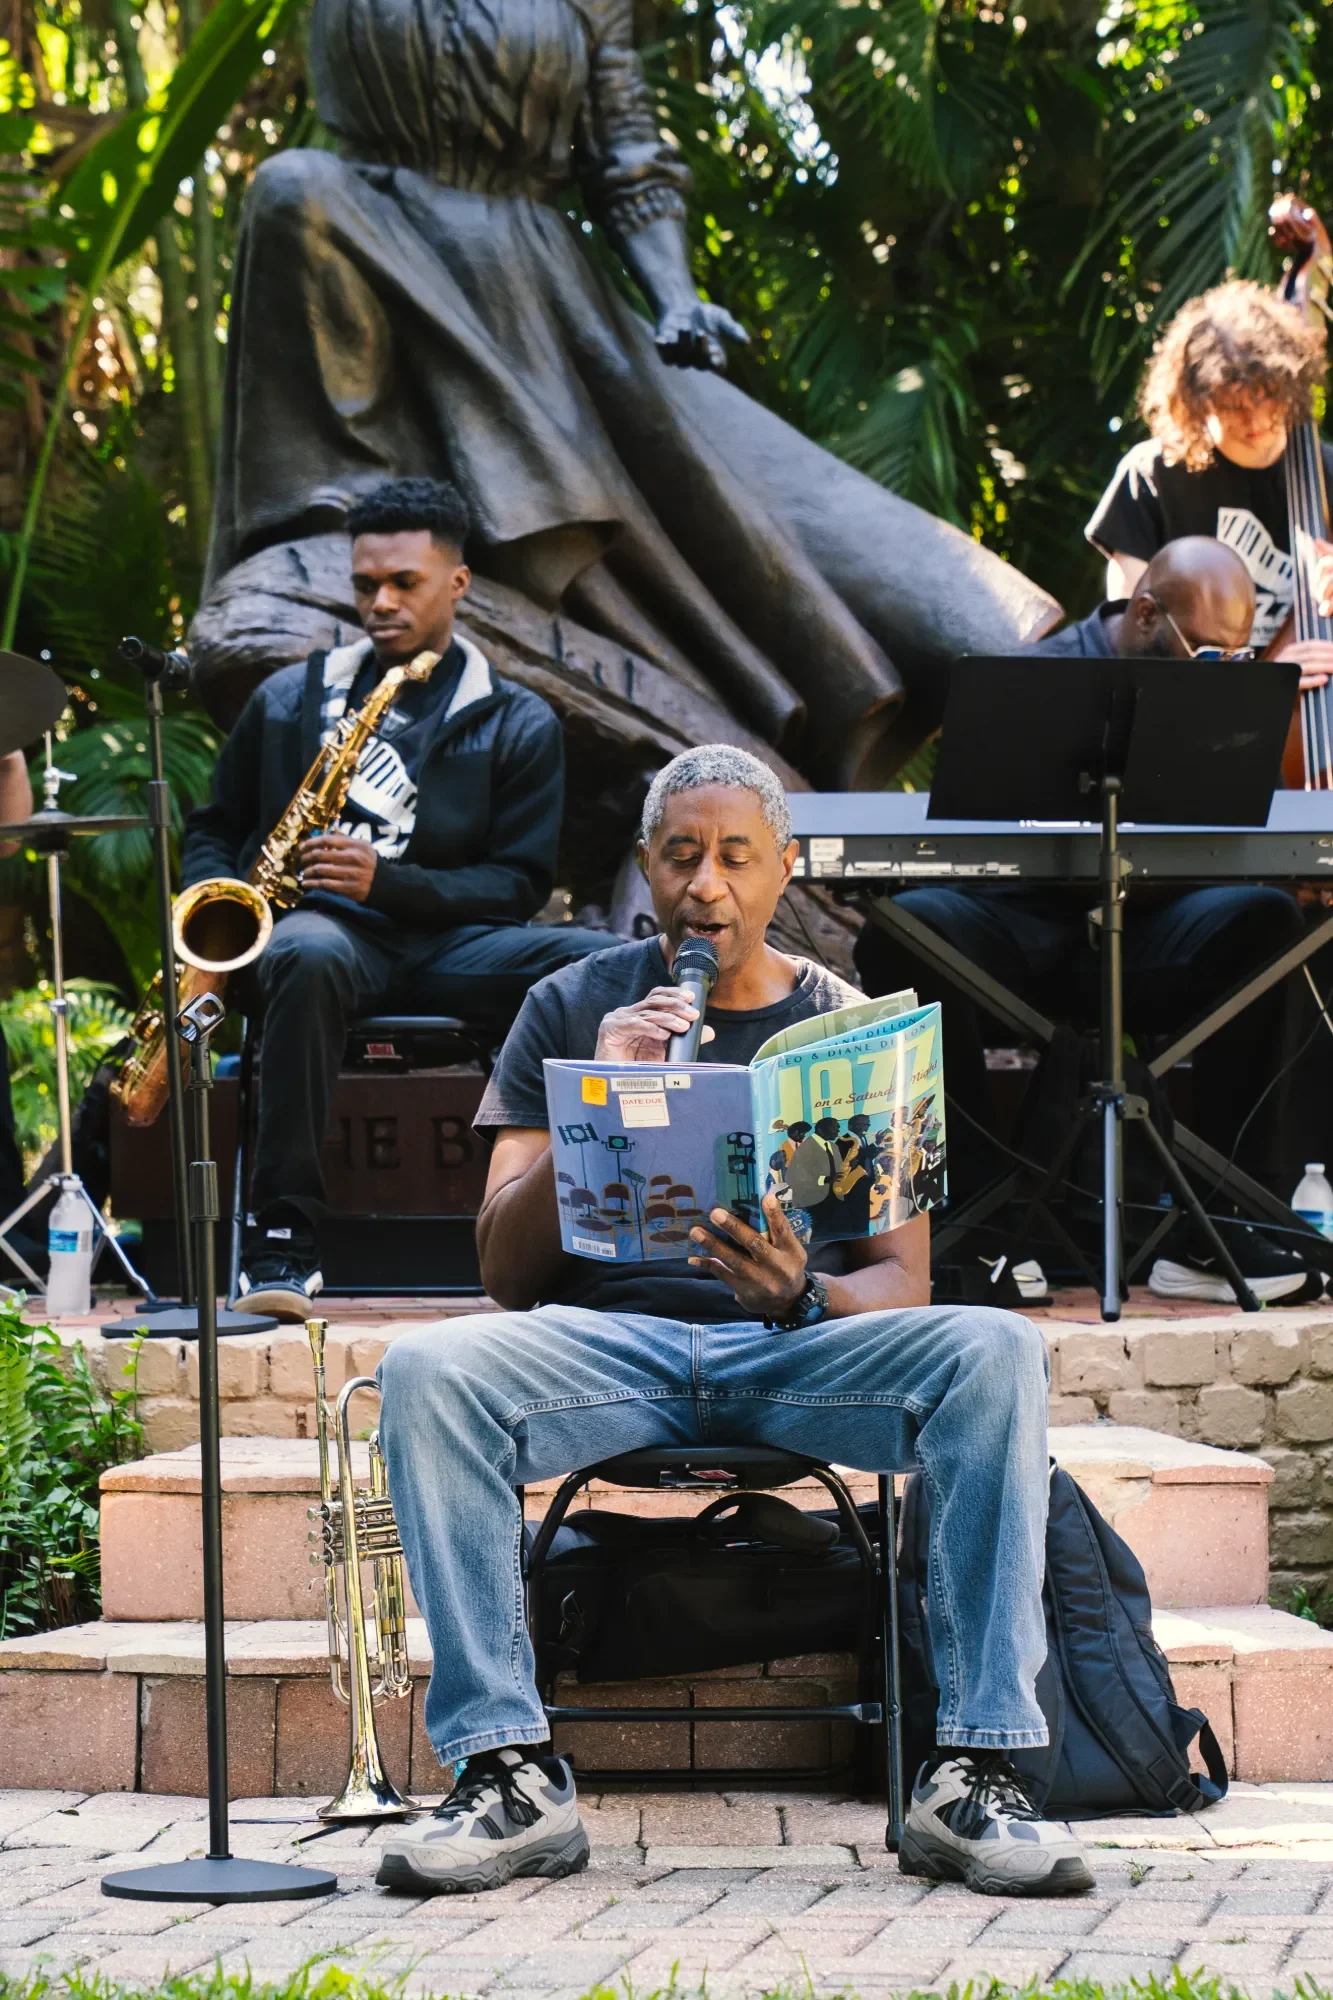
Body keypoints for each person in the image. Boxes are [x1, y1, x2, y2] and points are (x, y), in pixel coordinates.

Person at [374, 744, 1094, 1901]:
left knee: (996, 1347)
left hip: (800, 1349)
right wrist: (597, 1103)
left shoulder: (853, 1027)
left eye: (735, 856)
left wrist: (803, 1292)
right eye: (680, 855)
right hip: (610, 1350)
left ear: (782, 869)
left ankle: (973, 1771)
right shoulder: (569, 1003)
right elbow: (503, 1271)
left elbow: (900, 1282)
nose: (706, 883)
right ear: (646, 866)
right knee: (427, 1367)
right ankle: (507, 1770)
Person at [183, 475, 609, 1319]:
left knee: (602, 968)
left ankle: (588, 1229)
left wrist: (389, 882)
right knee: (305, 952)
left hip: (454, 943)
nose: (380, 603)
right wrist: (217, 904)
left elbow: (516, 884)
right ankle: (282, 1236)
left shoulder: (516, 719)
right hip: (324, 939)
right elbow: (214, 825)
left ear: (457, 583)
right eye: (365, 585)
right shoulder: (288, 700)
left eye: (403, 583)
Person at [855, 539, 1312, 1306]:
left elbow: (1247, 831)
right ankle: (971, 1227)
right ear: (1145, 613)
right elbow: (959, 839)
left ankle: (1224, 1223)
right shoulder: (1025, 677)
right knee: (907, 928)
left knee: (1265, 920)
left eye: (1235, 657)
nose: (1220, 672)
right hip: (1014, 933)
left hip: (1146, 934)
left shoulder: (1222, 696)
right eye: (1207, 653)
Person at [1087, 279, 1333, 687]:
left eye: (1267, 396)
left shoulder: (1326, 473)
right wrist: (1261, 683)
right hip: (1186, 714)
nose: (1255, 419)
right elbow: (1132, 655)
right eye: (1233, 405)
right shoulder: (1150, 476)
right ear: (1195, 402)